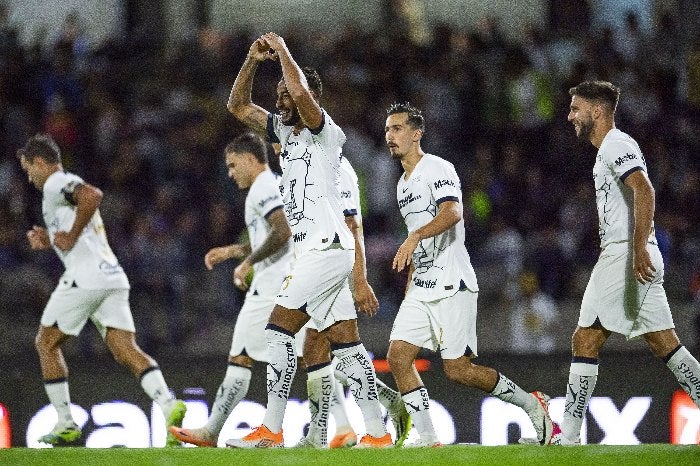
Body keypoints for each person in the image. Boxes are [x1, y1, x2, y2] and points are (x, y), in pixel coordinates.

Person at [224, 32, 391, 448]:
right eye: (277, 93)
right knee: (347, 344)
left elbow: (299, 90)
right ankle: (376, 433)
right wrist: (251, 60)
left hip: (327, 247)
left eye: (284, 93)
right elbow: (237, 106)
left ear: (308, 97)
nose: (279, 98)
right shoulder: (285, 133)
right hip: (318, 251)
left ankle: (272, 428)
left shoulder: (323, 131)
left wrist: (282, 51)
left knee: (278, 331)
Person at [384, 102, 557, 447]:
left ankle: (531, 403)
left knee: (458, 370)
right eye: (388, 129)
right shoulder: (402, 184)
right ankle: (428, 438)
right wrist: (410, 286)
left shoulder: (437, 168)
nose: (390, 136)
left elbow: (453, 212)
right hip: (421, 286)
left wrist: (415, 236)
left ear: (417, 134)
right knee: (398, 357)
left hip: (452, 282)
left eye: (398, 128)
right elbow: (417, 240)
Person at [17, 133, 186, 447]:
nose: (29, 178)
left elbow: (93, 195)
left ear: (41, 162)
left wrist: (69, 233)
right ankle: (169, 405)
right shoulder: (60, 190)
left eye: (29, 170)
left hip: (86, 277)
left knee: (45, 342)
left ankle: (66, 422)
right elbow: (76, 227)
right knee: (126, 351)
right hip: (112, 277)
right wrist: (50, 235)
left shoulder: (56, 182)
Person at [559, 81, 700, 444]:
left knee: (586, 338)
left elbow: (644, 188)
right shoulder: (606, 149)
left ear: (598, 111)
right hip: (629, 252)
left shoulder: (617, 143)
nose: (570, 115)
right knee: (664, 343)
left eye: (576, 108)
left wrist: (637, 248)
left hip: (626, 254)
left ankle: (569, 439)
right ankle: (569, 436)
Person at [169, 132, 293, 447]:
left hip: (270, 286)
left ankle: (212, 431)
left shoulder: (262, 187)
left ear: (251, 160)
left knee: (240, 355)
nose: (230, 172)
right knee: (314, 356)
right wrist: (233, 252)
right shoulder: (276, 182)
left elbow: (282, 231)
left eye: (233, 165)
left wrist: (248, 262)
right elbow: (272, 235)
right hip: (286, 280)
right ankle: (376, 407)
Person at [295, 155, 411, 449]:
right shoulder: (304, 162)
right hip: (315, 266)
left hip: (336, 266)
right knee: (313, 350)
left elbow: (352, 225)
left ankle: (374, 430)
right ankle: (350, 424)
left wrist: (359, 281)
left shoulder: (335, 164)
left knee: (343, 345)